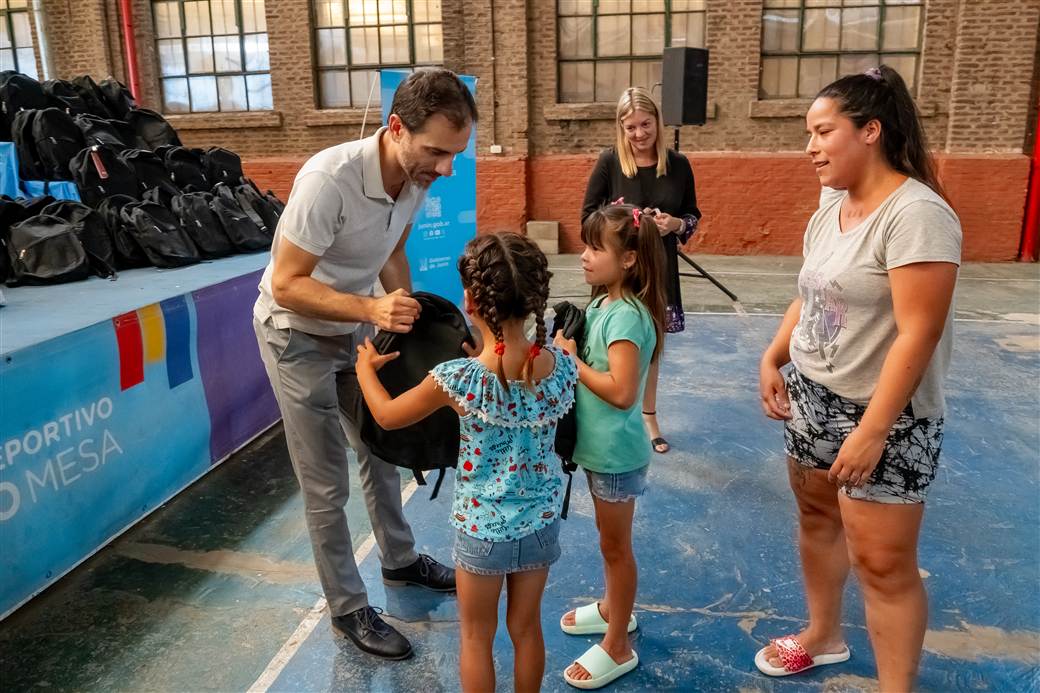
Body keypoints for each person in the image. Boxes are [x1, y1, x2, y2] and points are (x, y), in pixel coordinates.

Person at [252, 69, 478, 660]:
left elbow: (393, 250)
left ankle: (400, 562)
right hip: (294, 334)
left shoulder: (413, 176)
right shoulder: (329, 180)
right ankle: (348, 607)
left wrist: (407, 321)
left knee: (381, 447)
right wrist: (371, 307)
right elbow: (287, 283)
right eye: (437, 152)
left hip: (355, 324)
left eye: (456, 154)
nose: (446, 168)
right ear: (396, 128)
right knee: (325, 481)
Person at [755, 65, 961, 690]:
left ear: (870, 131)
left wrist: (873, 432)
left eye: (822, 132)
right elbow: (812, 294)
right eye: (808, 133)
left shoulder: (917, 214)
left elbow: (918, 332)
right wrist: (775, 356)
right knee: (817, 519)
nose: (809, 147)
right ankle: (824, 636)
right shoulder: (832, 205)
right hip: (812, 399)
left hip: (886, 418)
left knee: (883, 565)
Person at [354, 232, 577, 693]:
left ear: (471, 300)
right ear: (535, 299)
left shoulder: (460, 380)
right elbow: (518, 376)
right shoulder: (560, 368)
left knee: (476, 637)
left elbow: (386, 416)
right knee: (527, 629)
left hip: (481, 532)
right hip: (539, 525)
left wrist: (363, 372)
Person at [554, 204, 666, 689]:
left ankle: (618, 643)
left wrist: (571, 361)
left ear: (629, 260)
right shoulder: (600, 306)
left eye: (596, 248)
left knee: (616, 548)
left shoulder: (626, 317)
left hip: (616, 455)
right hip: (597, 451)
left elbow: (623, 393)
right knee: (607, 543)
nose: (583, 256)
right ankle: (610, 608)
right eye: (585, 245)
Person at [581, 86, 701, 454]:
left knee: (650, 345)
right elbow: (587, 216)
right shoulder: (609, 161)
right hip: (616, 269)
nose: (638, 134)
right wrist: (620, 220)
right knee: (609, 340)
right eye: (630, 127)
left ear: (658, 123)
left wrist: (674, 225)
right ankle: (604, 409)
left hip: (658, 266)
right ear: (620, 127)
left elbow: (693, 216)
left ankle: (648, 415)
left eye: (645, 125)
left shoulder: (678, 163)